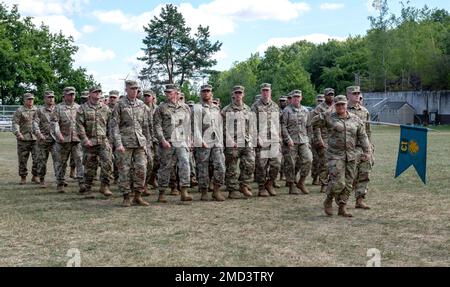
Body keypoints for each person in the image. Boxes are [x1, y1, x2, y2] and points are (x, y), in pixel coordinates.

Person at [311, 95, 371, 217]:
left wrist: (367, 151)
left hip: (351, 156)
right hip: (335, 156)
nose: (341, 107)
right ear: (335, 105)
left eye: (343, 104)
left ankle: (342, 207)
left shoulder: (355, 119)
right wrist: (327, 111)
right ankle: (328, 200)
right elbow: (312, 122)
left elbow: (363, 136)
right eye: (338, 105)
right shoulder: (329, 117)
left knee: (349, 184)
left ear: (346, 105)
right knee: (338, 183)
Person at [111, 80, 151, 207]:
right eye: (132, 89)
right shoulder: (120, 105)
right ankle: (126, 196)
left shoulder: (143, 106)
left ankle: (138, 195)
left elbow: (146, 127)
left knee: (142, 168)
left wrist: (147, 144)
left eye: (136, 89)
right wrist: (118, 144)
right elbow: (115, 126)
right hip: (125, 143)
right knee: (124, 170)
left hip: (140, 142)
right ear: (126, 90)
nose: (135, 91)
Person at [153, 84, 192, 203]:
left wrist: (189, 139)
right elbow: (157, 125)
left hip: (181, 141)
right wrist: (162, 140)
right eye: (166, 92)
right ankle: (162, 192)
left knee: (185, 163)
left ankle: (184, 190)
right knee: (165, 166)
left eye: (170, 92)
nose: (167, 94)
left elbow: (188, 125)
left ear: (177, 93)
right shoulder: (161, 108)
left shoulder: (185, 108)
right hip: (167, 142)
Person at [76, 86, 114, 198]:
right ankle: (87, 188)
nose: (97, 94)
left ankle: (105, 186)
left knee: (108, 163)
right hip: (90, 141)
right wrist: (85, 139)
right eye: (95, 92)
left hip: (103, 141)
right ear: (90, 94)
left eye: (99, 92)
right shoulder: (82, 109)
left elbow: (110, 125)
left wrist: (110, 139)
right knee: (89, 166)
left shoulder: (106, 109)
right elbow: (79, 126)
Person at [192, 84, 226, 201]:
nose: (206, 93)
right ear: (201, 93)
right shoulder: (196, 108)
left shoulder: (216, 108)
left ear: (211, 93)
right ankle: (204, 191)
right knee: (203, 168)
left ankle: (216, 190)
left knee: (220, 166)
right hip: (204, 142)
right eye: (204, 91)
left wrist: (221, 141)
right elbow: (194, 126)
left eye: (208, 91)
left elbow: (220, 126)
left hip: (217, 142)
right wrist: (199, 140)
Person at [221, 85, 255, 199]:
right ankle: (232, 190)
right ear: (233, 94)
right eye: (236, 93)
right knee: (232, 167)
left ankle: (244, 185)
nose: (238, 95)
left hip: (245, 141)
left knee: (250, 163)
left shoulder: (247, 109)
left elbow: (250, 125)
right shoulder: (226, 110)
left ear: (243, 94)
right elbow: (222, 127)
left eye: (240, 93)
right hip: (233, 142)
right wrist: (229, 140)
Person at [251, 83, 281, 197]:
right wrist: (256, 137)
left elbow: (277, 122)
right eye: (263, 90)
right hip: (262, 139)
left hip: (273, 139)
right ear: (261, 92)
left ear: (270, 92)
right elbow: (252, 124)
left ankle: (270, 183)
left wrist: (279, 136)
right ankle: (261, 187)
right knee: (261, 165)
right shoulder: (255, 106)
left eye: (267, 90)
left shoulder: (275, 106)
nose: (265, 92)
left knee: (276, 164)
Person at [52, 87, 85, 193]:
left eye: (73, 94)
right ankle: (60, 183)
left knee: (80, 161)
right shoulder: (58, 108)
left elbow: (83, 123)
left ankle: (82, 183)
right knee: (61, 162)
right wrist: (58, 134)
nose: (71, 96)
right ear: (64, 95)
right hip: (63, 140)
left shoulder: (79, 108)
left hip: (77, 140)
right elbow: (54, 123)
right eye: (69, 94)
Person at [280, 90, 312, 195]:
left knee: (308, 159)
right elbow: (283, 126)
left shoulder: (305, 111)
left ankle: (301, 182)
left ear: (301, 98)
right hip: (291, 141)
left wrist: (308, 140)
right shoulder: (286, 111)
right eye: (294, 97)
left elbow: (308, 126)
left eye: (298, 97)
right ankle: (291, 185)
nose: (296, 99)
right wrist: (287, 139)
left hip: (303, 140)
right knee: (290, 164)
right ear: (291, 99)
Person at [347, 86, 373, 210]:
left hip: (362, 148)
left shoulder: (365, 111)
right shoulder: (343, 110)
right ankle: (342, 201)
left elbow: (368, 132)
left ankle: (360, 199)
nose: (357, 95)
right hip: (348, 148)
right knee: (349, 176)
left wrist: (370, 148)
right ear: (348, 95)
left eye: (358, 93)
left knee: (364, 173)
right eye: (354, 93)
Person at [311, 88, 335, 193]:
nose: (331, 96)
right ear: (325, 96)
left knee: (335, 162)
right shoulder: (319, 108)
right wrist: (319, 139)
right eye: (329, 95)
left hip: (335, 138)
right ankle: (324, 183)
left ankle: (332, 182)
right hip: (324, 137)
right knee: (324, 162)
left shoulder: (336, 106)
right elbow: (315, 126)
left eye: (332, 95)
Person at [12, 93, 39, 185]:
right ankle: (23, 177)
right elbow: (15, 123)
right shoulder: (19, 110)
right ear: (24, 100)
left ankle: (35, 176)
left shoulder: (37, 110)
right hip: (23, 138)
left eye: (32, 99)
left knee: (37, 158)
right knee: (23, 159)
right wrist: (17, 133)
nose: (30, 101)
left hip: (35, 138)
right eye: (28, 99)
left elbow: (41, 123)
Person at [32, 91, 57, 188]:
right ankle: (41, 179)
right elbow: (35, 123)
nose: (51, 99)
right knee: (42, 161)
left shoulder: (57, 109)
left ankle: (59, 180)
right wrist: (39, 134)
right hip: (44, 140)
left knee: (58, 161)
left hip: (56, 140)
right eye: (49, 97)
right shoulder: (40, 110)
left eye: (52, 97)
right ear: (44, 99)